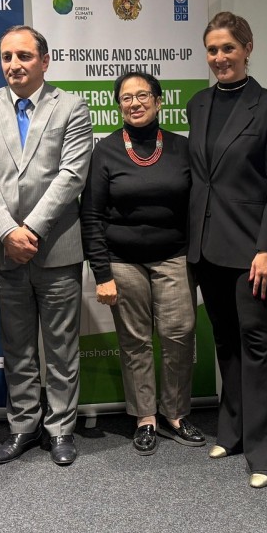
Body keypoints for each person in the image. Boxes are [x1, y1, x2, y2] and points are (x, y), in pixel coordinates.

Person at [0, 25, 92, 466]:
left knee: (61, 348)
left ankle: (60, 430)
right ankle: (23, 425)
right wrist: (7, 232)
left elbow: (72, 175)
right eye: (7, 57)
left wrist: (31, 230)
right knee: (16, 347)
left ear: (44, 60)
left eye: (23, 56)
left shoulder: (72, 106)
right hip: (5, 250)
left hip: (56, 247)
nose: (14, 64)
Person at [185, 12, 267, 488]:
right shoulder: (198, 104)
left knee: (258, 343)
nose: (220, 57)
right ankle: (234, 431)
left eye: (228, 47)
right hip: (207, 247)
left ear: (248, 48)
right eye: (212, 49)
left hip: (253, 250)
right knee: (226, 340)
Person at [80, 71, 203, 456]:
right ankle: (145, 417)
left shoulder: (183, 147)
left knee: (179, 334)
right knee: (135, 341)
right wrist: (102, 273)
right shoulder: (106, 151)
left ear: (159, 100)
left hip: (174, 257)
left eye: (143, 95)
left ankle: (175, 413)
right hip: (122, 261)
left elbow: (198, 206)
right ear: (118, 105)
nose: (135, 103)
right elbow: (92, 215)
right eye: (126, 98)